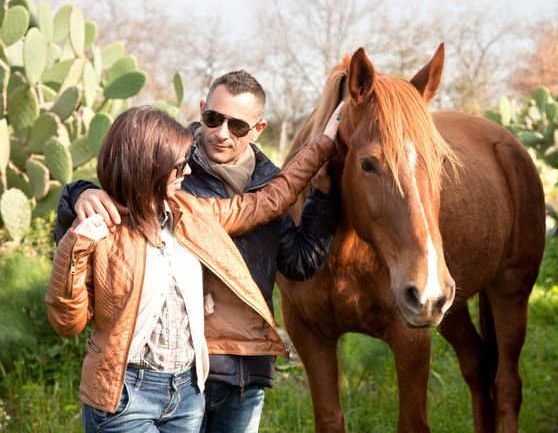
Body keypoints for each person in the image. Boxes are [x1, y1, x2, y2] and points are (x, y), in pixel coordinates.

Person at [54, 71, 342, 433]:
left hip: (217, 379)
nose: (221, 133)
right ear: (202, 109)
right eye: (213, 119)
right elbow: (68, 317)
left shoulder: (215, 202)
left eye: (237, 125)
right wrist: (78, 196)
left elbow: (276, 215)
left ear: (258, 129)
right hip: (151, 381)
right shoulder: (140, 193)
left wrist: (324, 165)